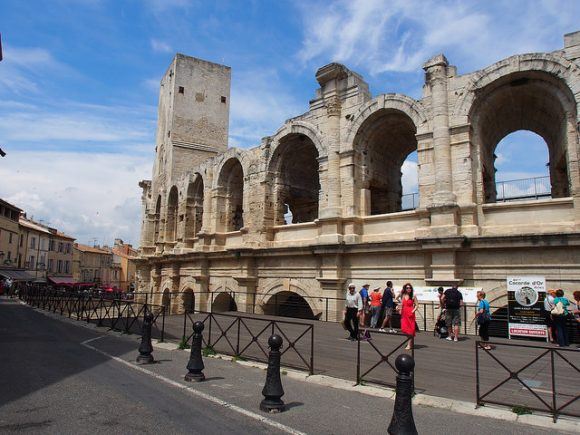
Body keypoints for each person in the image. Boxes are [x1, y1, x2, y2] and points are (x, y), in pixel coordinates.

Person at [398, 283, 418, 350]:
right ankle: (411, 342)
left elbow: (417, 305)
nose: (408, 289)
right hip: (404, 313)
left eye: (409, 288)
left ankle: (409, 345)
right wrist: (399, 307)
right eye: (407, 288)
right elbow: (397, 299)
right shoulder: (403, 295)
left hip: (410, 313)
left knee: (410, 330)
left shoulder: (413, 296)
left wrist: (413, 311)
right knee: (404, 329)